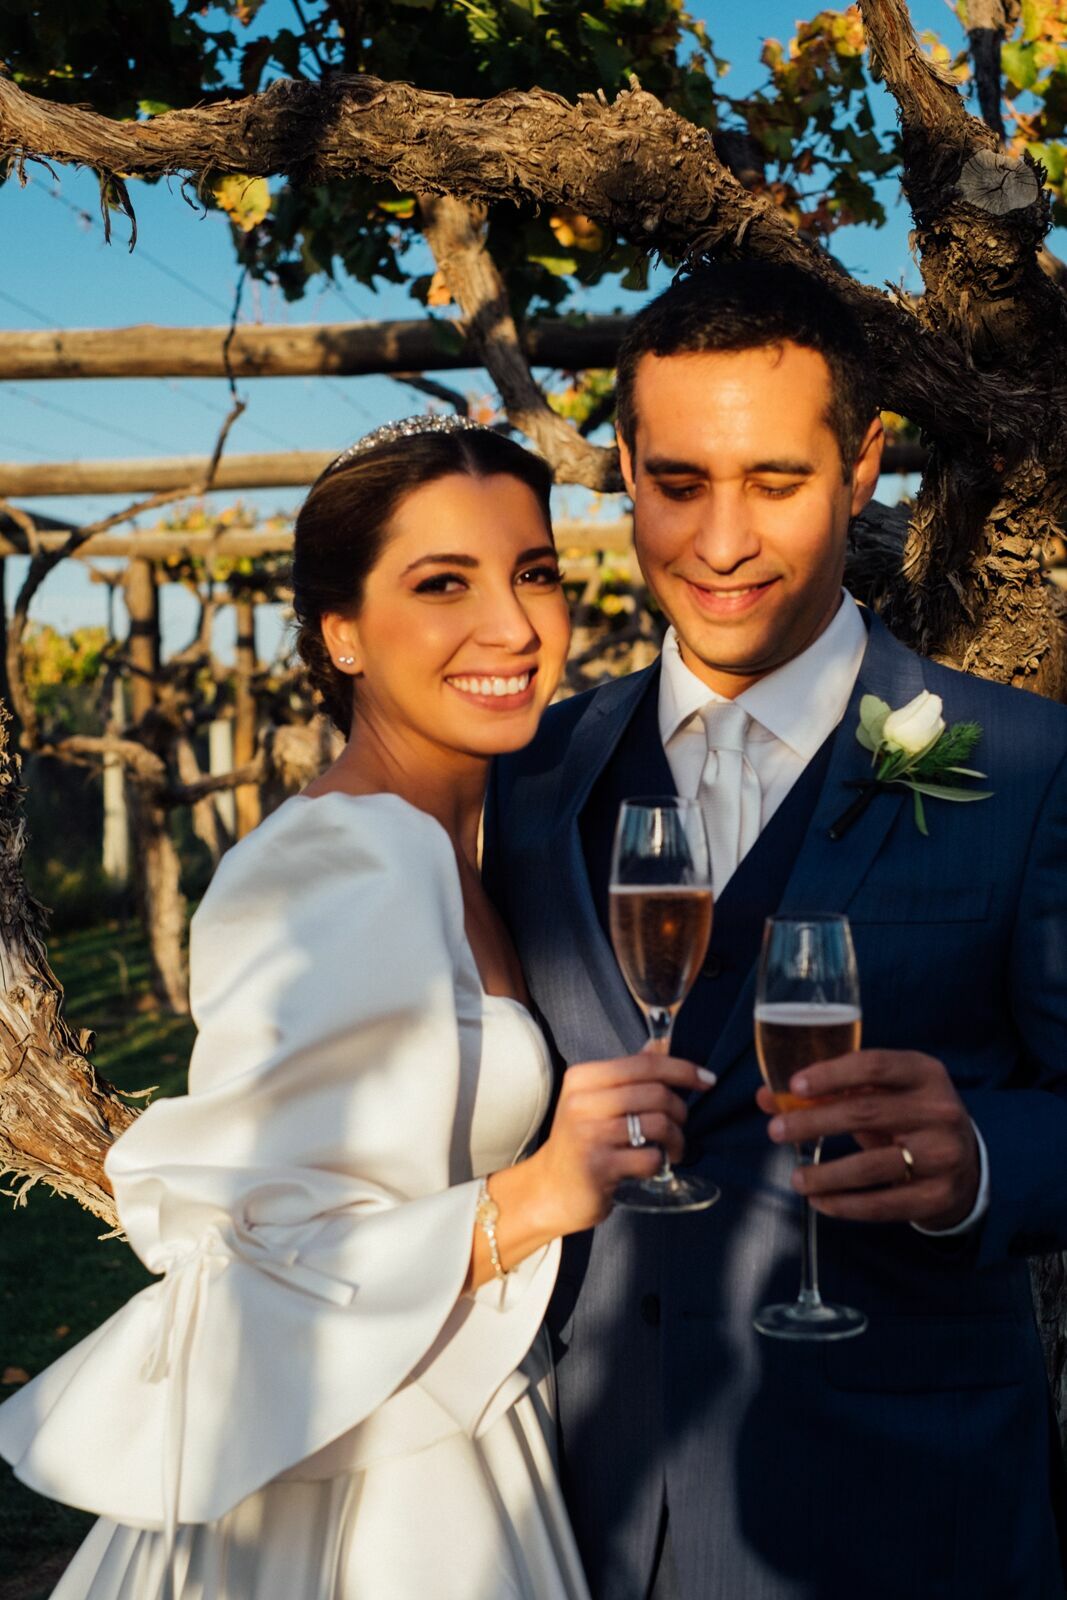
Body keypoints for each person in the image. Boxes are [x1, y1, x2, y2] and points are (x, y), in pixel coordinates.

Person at [0, 416, 711, 1600]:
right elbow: (264, 1254)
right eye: (443, 583)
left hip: (458, 1404)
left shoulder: (475, 837)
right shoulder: (340, 860)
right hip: (364, 1496)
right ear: (341, 634)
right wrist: (533, 1197)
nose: (513, 623)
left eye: (533, 571)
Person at [484, 262, 1067, 1600]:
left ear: (861, 467)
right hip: (583, 1515)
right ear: (622, 466)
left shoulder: (1029, 767)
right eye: (676, 484)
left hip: (910, 1514)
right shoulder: (531, 776)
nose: (720, 543)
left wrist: (986, 1156)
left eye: (773, 484)